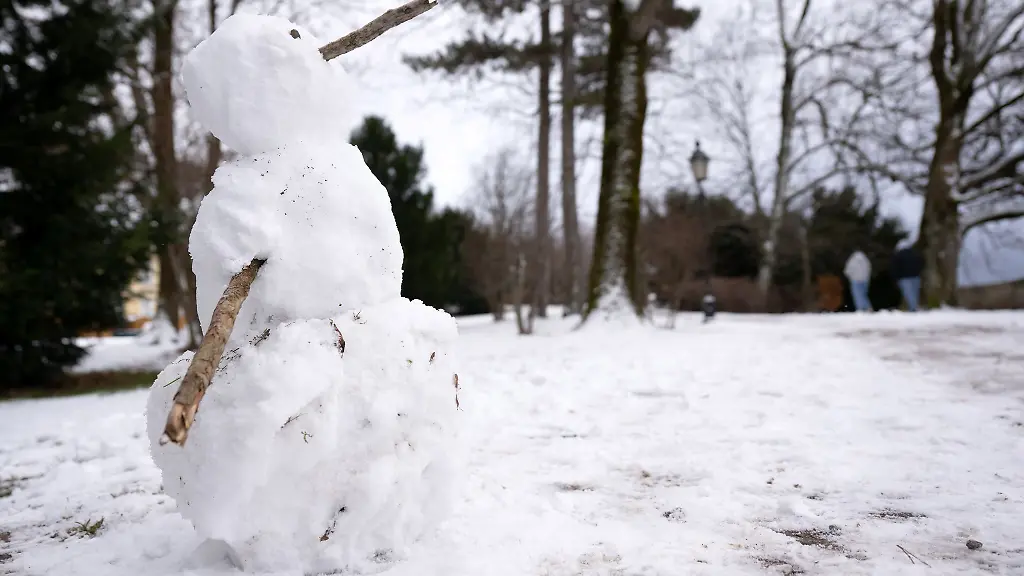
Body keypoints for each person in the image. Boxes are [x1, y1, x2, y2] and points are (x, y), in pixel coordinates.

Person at [891, 239, 923, 311]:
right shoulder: (915, 253)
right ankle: (915, 306)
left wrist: (895, 278)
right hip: (916, 276)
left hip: (904, 277)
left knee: (909, 294)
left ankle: (913, 308)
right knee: (915, 293)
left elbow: (895, 267)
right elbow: (921, 263)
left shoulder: (898, 255)